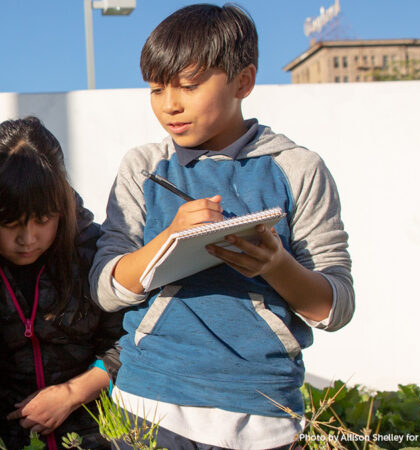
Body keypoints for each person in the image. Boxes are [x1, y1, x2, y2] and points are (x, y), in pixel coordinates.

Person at [90, 4, 355, 449]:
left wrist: (276, 265)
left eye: (188, 86)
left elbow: (336, 306)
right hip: (147, 406)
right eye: (156, 89)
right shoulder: (144, 167)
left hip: (264, 417)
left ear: (243, 81)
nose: (169, 105)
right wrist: (168, 241)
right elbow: (104, 286)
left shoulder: (298, 169)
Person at [0, 117, 124, 450]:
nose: (28, 239)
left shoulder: (94, 251)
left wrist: (73, 393)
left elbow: (132, 340)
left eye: (43, 219)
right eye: (9, 223)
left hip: (97, 433)